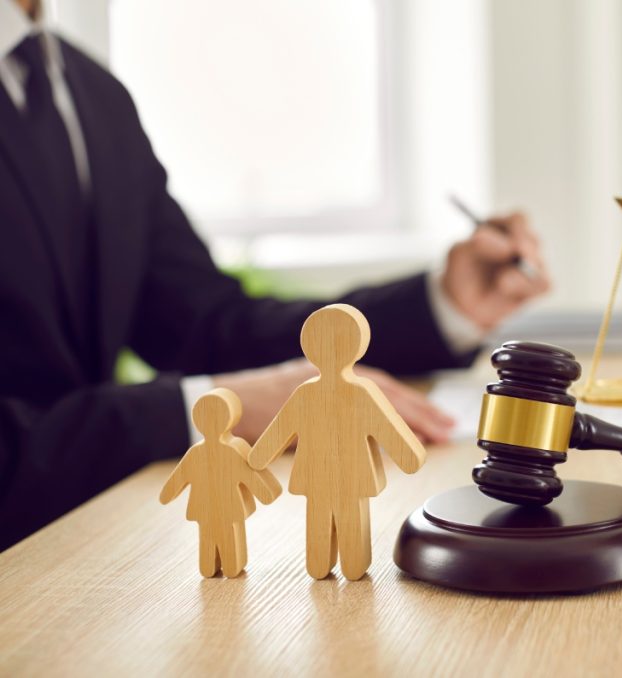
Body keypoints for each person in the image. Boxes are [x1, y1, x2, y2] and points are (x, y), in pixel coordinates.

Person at [0, 0, 550, 550]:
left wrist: (444, 306)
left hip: (79, 550)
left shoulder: (92, 93)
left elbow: (207, 326)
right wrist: (211, 411)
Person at [249, 305, 426, 580]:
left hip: (333, 474)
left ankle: (340, 565)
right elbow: (280, 429)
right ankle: (332, 565)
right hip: (333, 474)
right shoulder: (324, 392)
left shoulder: (337, 392)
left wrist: (259, 457)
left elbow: (386, 427)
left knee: (338, 517)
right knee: (329, 518)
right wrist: (408, 457)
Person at [159, 388, 282, 578]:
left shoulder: (221, 450)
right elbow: (179, 478)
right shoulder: (209, 452)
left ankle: (222, 566)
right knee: (215, 537)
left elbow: (250, 474)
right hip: (217, 507)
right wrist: (266, 494)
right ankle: (220, 567)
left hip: (216, 507)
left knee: (218, 536)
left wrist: (267, 492)